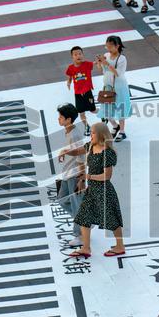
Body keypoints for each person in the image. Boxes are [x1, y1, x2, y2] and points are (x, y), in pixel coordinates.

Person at [69, 122, 125, 258]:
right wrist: (65, 152)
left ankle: (120, 246)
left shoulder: (107, 152)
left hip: (104, 191)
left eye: (93, 132)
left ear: (100, 134)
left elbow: (107, 176)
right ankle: (86, 248)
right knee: (83, 217)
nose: (90, 135)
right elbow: (78, 151)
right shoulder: (91, 146)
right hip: (92, 190)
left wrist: (88, 176)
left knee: (111, 219)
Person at [56, 103, 86, 248]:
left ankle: (80, 235)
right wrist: (65, 152)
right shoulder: (68, 131)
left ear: (68, 119)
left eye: (61, 117)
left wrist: (81, 178)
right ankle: (85, 223)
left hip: (75, 175)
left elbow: (81, 153)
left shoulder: (74, 134)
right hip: (67, 173)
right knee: (62, 200)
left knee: (77, 206)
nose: (58, 119)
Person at [95, 35, 131, 141]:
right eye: (107, 46)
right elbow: (102, 70)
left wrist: (106, 63)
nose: (108, 49)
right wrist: (99, 63)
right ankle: (115, 126)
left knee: (120, 108)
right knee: (106, 110)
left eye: (110, 46)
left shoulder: (122, 59)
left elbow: (118, 73)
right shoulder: (106, 55)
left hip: (119, 87)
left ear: (117, 46)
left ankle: (122, 132)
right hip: (107, 87)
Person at [65, 45, 95, 134]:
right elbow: (70, 76)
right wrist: (68, 82)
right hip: (78, 94)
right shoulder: (70, 67)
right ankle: (86, 126)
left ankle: (103, 115)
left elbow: (95, 63)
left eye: (80, 54)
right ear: (72, 57)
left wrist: (99, 61)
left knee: (93, 110)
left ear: (83, 55)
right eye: (75, 54)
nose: (78, 56)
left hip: (87, 92)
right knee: (81, 112)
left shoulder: (87, 64)